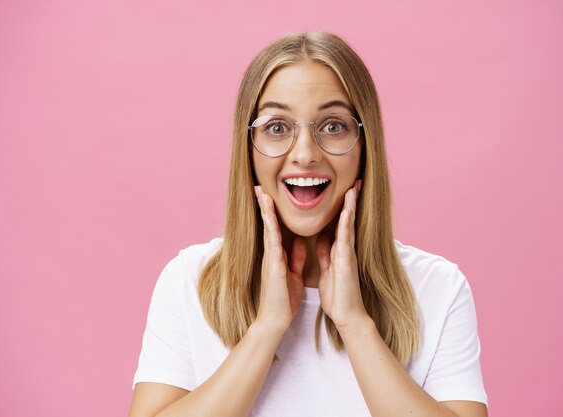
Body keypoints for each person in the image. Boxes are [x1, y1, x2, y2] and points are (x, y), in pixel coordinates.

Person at [129, 32, 488, 417]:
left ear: (365, 146)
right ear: (248, 149)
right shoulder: (189, 280)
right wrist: (266, 328)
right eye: (277, 127)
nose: (304, 154)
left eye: (333, 126)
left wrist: (355, 324)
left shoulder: (439, 288)